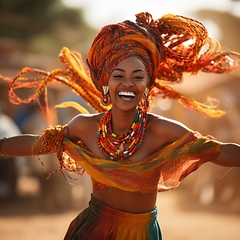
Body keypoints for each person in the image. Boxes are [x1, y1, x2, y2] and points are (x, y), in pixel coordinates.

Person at [0, 12, 240, 240]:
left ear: (147, 83)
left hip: (143, 232)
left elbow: (219, 151)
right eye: (118, 76)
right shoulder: (84, 127)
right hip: (94, 229)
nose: (128, 83)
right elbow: (38, 143)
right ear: (106, 82)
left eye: (137, 76)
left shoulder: (163, 131)